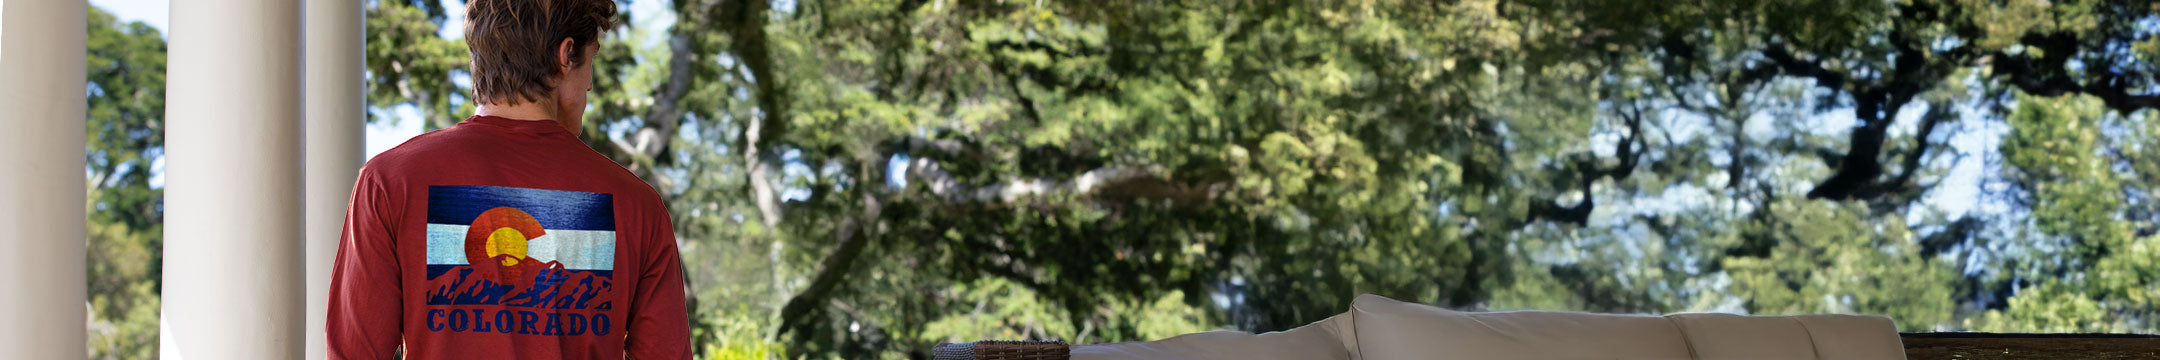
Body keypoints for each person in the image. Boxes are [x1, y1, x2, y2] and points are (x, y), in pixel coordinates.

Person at [326, 0, 689, 358]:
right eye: (590, 60)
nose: (591, 85)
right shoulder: (636, 204)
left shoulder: (390, 181)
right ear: (565, 56)